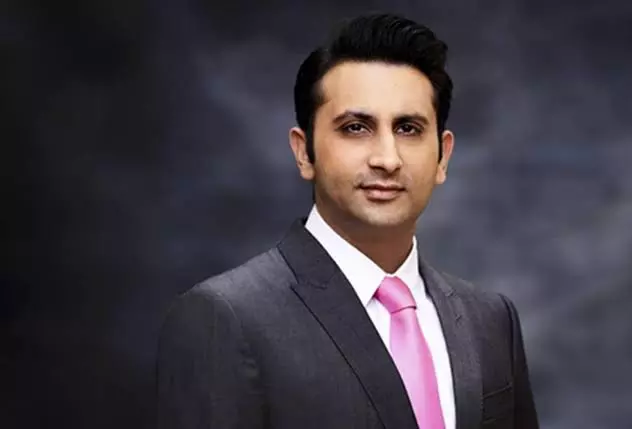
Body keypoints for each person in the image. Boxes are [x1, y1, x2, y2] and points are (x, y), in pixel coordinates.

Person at [156, 13, 539, 429]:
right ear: (304, 152)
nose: (387, 159)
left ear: (443, 156)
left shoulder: (490, 320)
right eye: (356, 128)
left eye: (408, 128)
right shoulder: (225, 318)